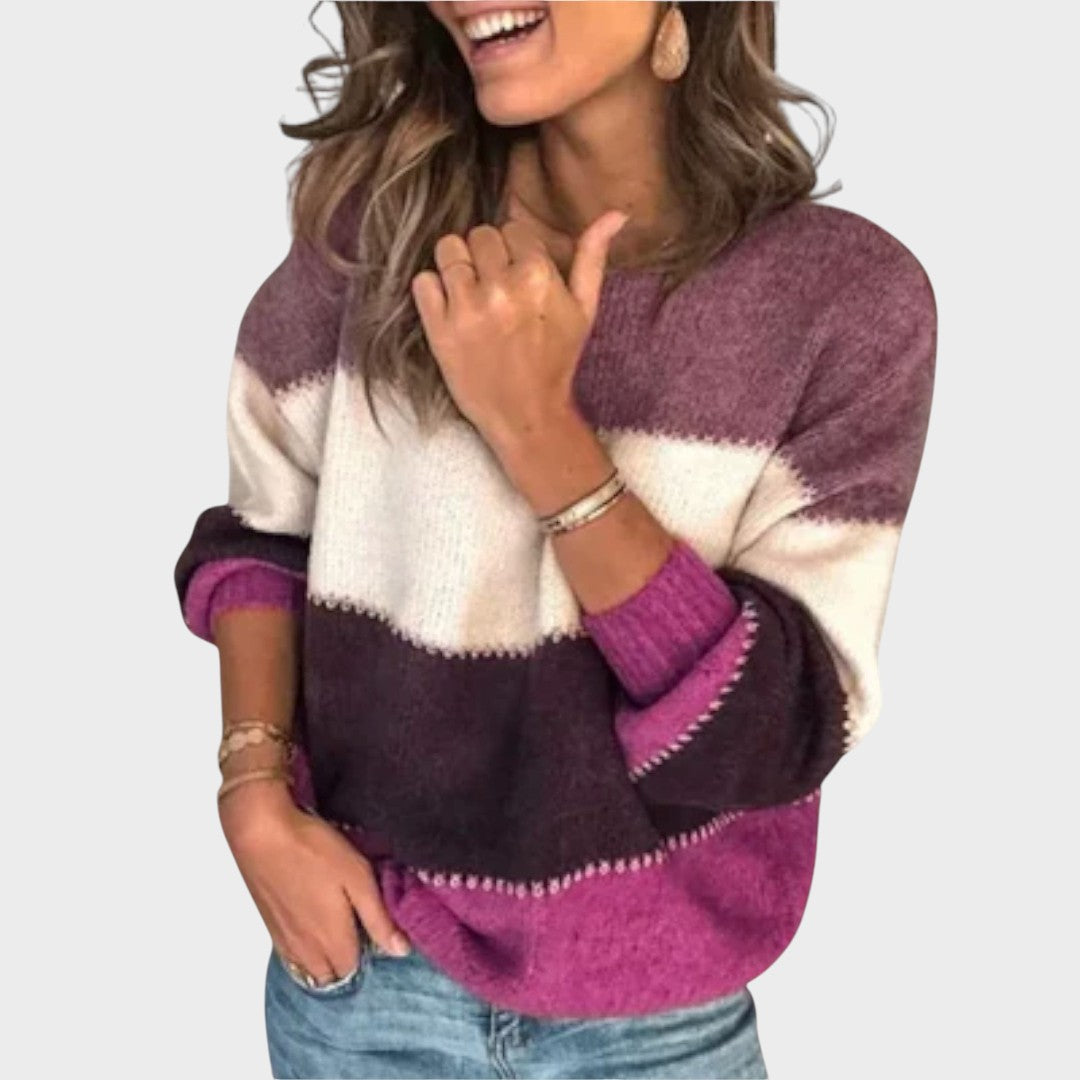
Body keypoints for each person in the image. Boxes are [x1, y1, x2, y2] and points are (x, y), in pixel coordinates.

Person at [172, 2, 937, 1077]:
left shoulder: (843, 303)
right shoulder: (374, 235)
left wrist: (538, 430)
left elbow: (769, 734)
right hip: (365, 990)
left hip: (661, 1029)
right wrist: (251, 791)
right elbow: (262, 542)